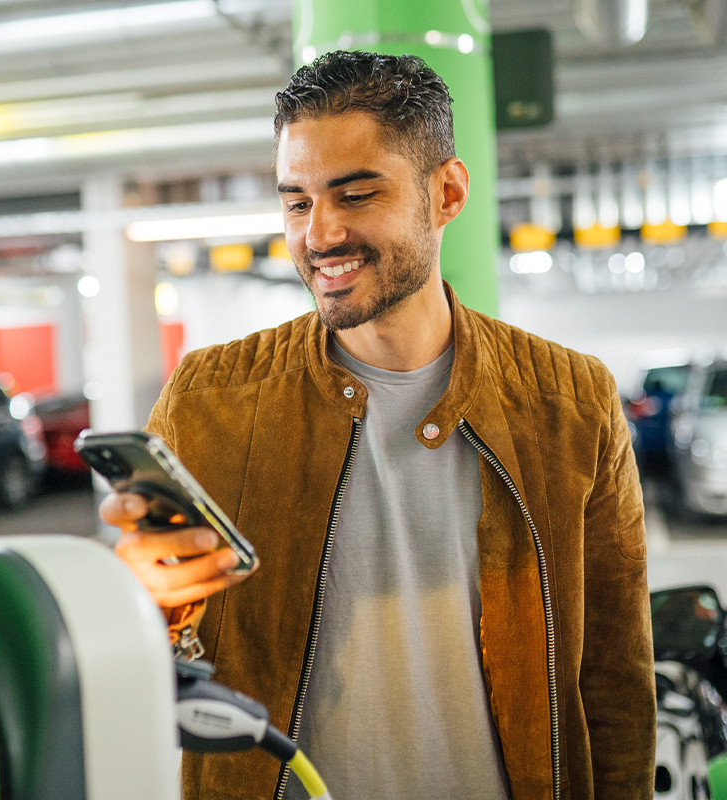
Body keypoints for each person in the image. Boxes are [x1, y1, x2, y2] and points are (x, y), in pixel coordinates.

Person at [101, 51, 656, 800]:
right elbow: (154, 658)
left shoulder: (570, 401)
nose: (318, 234)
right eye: (296, 203)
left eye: (355, 195)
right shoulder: (210, 401)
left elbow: (615, 683)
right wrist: (141, 604)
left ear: (448, 192)